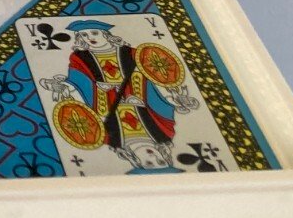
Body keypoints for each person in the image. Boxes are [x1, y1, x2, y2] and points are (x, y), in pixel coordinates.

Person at [42, 18, 198, 168]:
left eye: (94, 33)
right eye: (84, 35)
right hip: (106, 106)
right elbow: (77, 81)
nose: (90, 38)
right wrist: (62, 86)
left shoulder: (132, 53)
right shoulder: (80, 57)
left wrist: (162, 97)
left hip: (141, 105)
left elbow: (153, 77)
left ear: (106, 34)